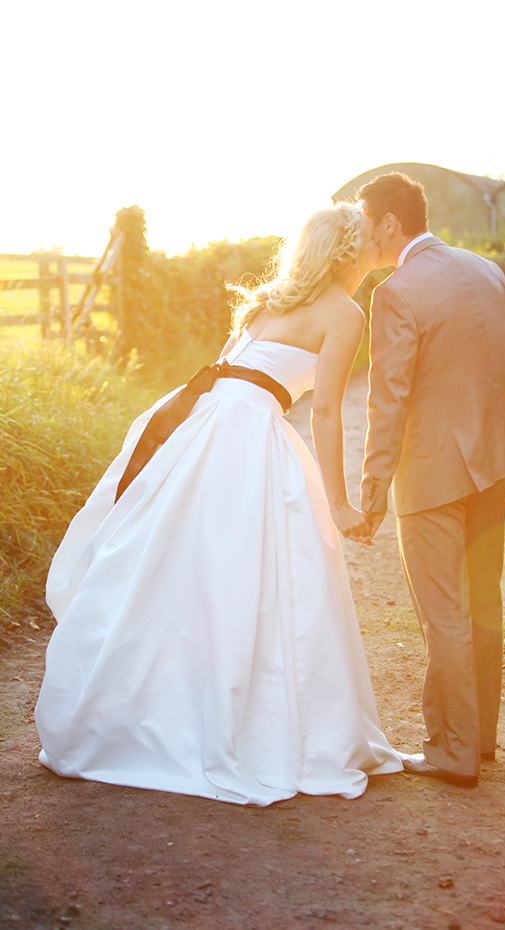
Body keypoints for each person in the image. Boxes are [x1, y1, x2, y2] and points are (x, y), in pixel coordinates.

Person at [35, 202, 403, 806]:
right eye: (367, 240)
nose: (374, 249)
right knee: (247, 576)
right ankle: (238, 722)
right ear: (347, 252)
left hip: (204, 426)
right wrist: (337, 502)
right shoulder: (344, 313)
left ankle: (140, 714)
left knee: (173, 566)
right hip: (250, 436)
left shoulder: (267, 304)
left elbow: (237, 372)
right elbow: (330, 409)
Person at [356, 172, 505, 788]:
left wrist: (372, 489)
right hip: (494, 462)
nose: (361, 234)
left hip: (434, 473)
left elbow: (388, 402)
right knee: (483, 599)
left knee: (444, 613)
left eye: (365, 222)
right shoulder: (485, 269)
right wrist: (503, 438)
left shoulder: (395, 292)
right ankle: (480, 739)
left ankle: (451, 751)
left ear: (390, 223)